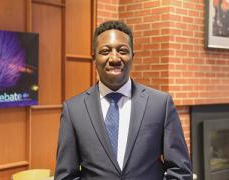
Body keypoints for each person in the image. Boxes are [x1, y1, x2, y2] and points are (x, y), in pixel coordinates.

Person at [54, 20, 192, 180]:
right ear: (94, 58)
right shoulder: (73, 110)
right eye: (105, 51)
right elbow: (66, 176)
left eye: (122, 51)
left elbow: (180, 171)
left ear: (132, 56)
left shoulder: (160, 104)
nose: (114, 58)